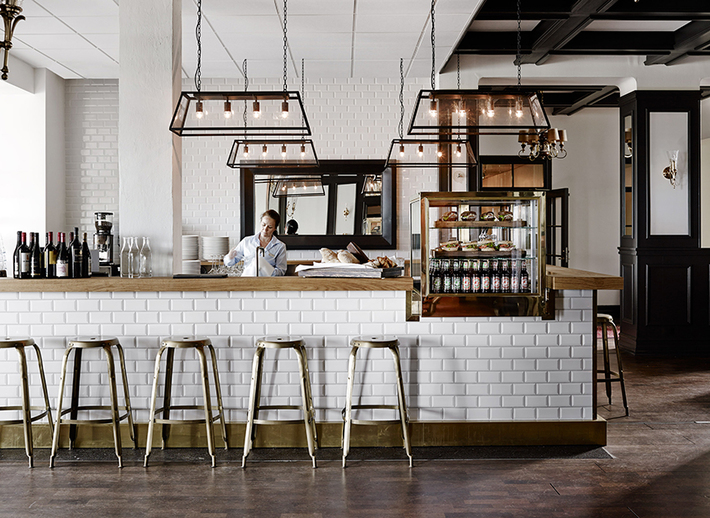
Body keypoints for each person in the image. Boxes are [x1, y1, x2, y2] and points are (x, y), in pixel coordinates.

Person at [224, 209, 287, 276]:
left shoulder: (280, 246)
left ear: (275, 228)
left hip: (268, 281)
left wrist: (266, 268)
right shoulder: (247, 241)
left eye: (270, 227)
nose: (265, 229)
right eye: (263, 225)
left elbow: (281, 272)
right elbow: (228, 263)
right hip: (248, 280)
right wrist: (230, 257)